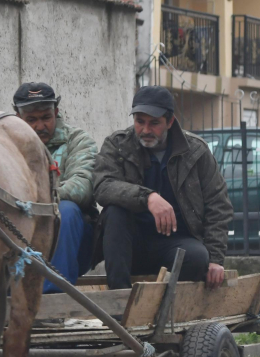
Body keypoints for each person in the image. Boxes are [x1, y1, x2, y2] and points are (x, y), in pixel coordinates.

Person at [93, 86, 232, 289]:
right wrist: (148, 198)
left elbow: (218, 206)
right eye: (140, 121)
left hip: (176, 243)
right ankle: (119, 304)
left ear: (170, 121)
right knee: (114, 213)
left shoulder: (196, 152)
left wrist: (216, 259)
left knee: (198, 257)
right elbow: (103, 186)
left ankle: (166, 305)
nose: (146, 130)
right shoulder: (118, 145)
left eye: (154, 123)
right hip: (131, 245)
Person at [13, 82, 98, 293]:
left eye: (46, 117)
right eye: (31, 120)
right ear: (17, 117)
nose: (40, 126)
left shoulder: (78, 140)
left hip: (75, 239)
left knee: (67, 209)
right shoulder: (8, 146)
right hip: (25, 233)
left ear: (56, 112)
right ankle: (7, 293)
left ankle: (53, 297)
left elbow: (82, 187)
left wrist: (35, 202)